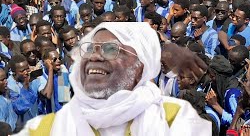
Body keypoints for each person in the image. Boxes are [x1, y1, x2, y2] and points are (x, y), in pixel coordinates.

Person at [19, 22, 212, 135]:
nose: (95, 57)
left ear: (140, 66)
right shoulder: (50, 126)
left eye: (110, 50)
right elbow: (54, 97)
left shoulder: (172, 118)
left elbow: (60, 98)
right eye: (89, 49)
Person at [0, 68, 17, 132]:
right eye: (2, 80)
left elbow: (21, 105)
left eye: (5, 78)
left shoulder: (8, 93)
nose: (6, 81)